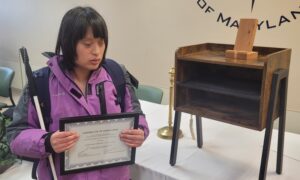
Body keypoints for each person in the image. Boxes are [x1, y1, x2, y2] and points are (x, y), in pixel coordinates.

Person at [6, 6, 149, 180]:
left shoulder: (116, 74)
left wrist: (139, 132)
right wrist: (47, 141)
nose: (97, 51)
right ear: (68, 43)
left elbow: (136, 115)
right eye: (87, 44)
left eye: (101, 42)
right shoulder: (41, 82)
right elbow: (15, 136)